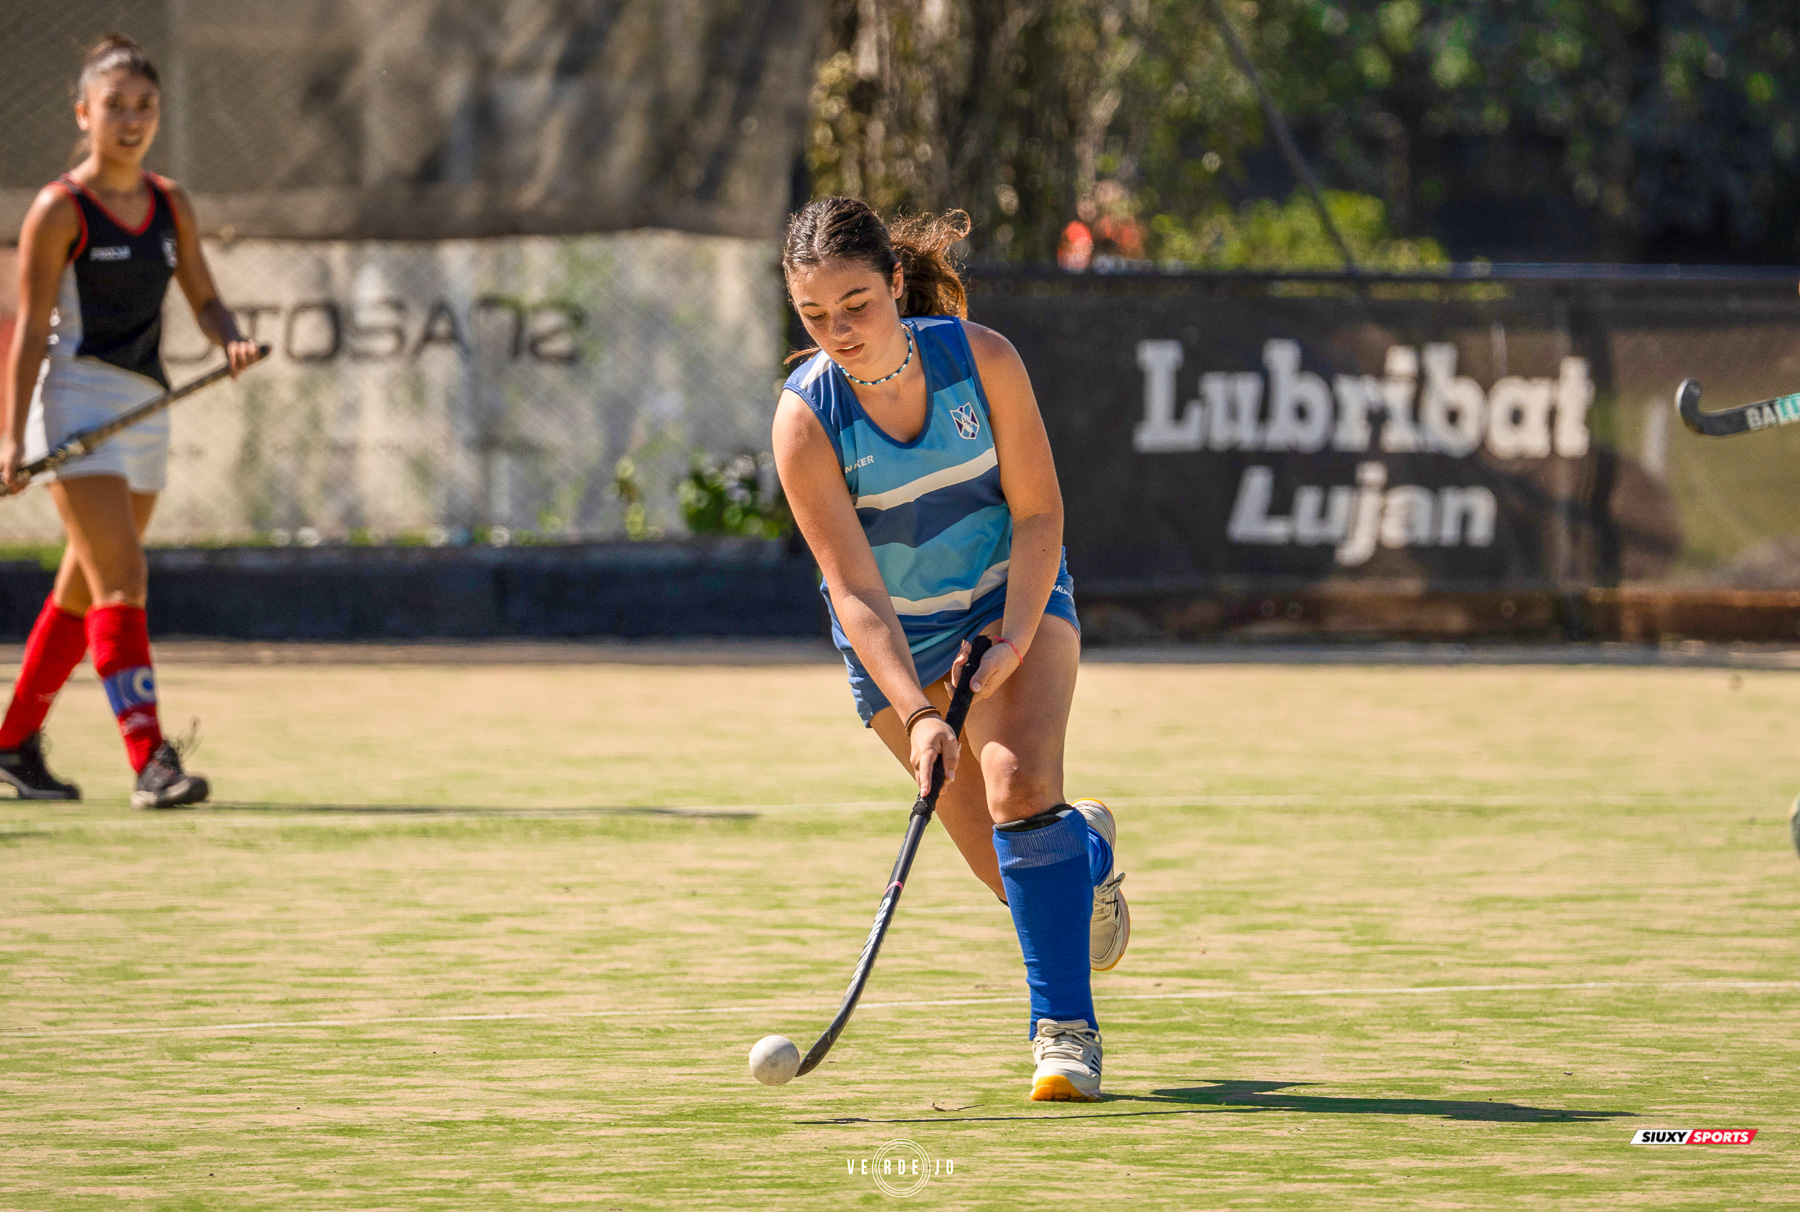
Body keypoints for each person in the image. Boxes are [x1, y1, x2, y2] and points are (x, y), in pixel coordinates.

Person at [773, 197, 1129, 1101]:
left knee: (1016, 787)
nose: (839, 332)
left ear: (896, 283)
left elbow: (1041, 509)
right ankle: (1084, 846)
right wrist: (921, 712)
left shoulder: (982, 361)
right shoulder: (805, 421)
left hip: (1014, 594)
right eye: (815, 316)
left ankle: (1064, 1035)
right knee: (1021, 881)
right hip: (901, 640)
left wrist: (1011, 637)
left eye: (856, 305)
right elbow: (853, 591)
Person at [0, 34, 258, 807]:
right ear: (84, 113)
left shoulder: (170, 201)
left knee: (82, 593)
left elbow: (206, 299)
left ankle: (11, 743)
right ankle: (151, 761)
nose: (132, 119)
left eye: (145, 106)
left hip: (146, 410)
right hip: (74, 403)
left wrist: (230, 338)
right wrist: (12, 437)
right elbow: (30, 328)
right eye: (115, 106)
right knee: (123, 578)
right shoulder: (58, 210)